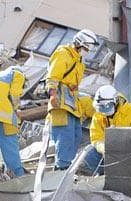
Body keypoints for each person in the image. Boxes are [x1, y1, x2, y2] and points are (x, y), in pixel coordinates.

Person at [45, 29, 99, 170]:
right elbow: (53, 76)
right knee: (65, 136)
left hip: (71, 102)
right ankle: (61, 168)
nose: (87, 51)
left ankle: (66, 167)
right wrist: (53, 95)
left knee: (75, 135)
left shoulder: (78, 60)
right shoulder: (64, 53)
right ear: (79, 43)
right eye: (86, 47)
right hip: (61, 101)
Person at [84, 85, 131, 175]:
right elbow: (96, 138)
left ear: (116, 101)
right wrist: (103, 148)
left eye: (105, 107)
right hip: (111, 150)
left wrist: (130, 140)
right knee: (90, 156)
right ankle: (107, 175)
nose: (103, 111)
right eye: (100, 107)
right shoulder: (98, 116)